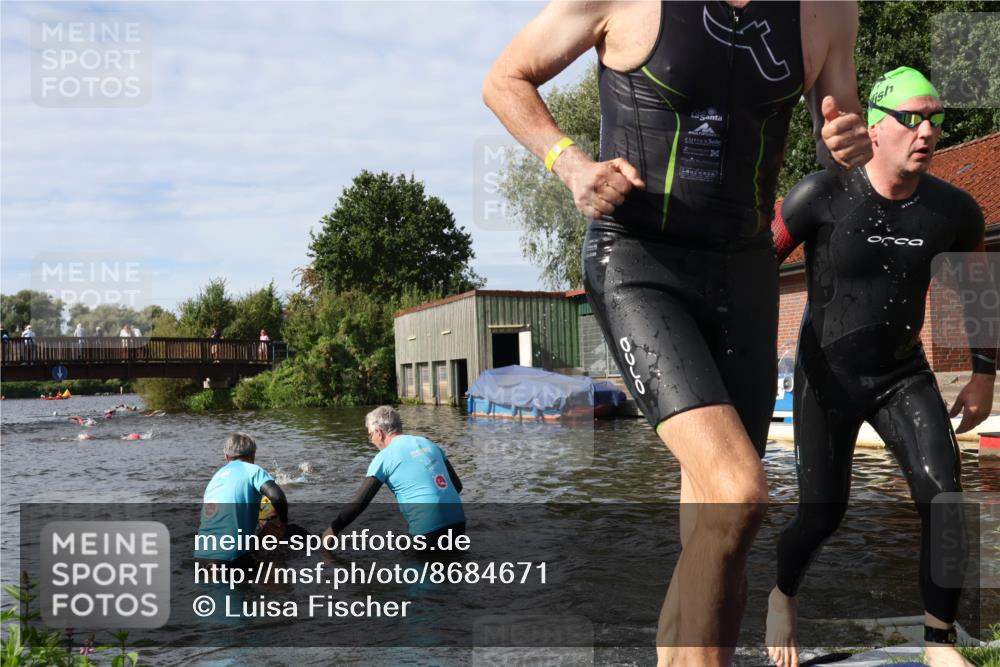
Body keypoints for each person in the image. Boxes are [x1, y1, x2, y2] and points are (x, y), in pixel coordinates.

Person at [483, 2, 871, 663]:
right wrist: (571, 164)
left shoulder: (828, 12)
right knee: (739, 490)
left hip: (746, 276)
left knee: (721, 532)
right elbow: (506, 78)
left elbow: (836, 137)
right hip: (640, 260)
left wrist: (846, 146)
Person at [766, 67, 993, 667]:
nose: (927, 131)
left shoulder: (955, 212)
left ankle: (938, 643)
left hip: (901, 373)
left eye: (936, 119)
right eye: (911, 118)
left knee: (945, 498)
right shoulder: (820, 196)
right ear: (874, 126)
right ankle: (782, 595)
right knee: (822, 514)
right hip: (826, 375)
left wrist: (983, 374)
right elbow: (754, 268)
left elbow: (980, 291)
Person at [322, 406, 464, 548]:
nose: (372, 441)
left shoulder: (385, 457)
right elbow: (457, 486)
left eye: (370, 435)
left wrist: (332, 529)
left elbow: (359, 504)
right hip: (458, 524)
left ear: (379, 432)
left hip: (427, 529)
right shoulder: (428, 443)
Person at [195, 433, 289, 570]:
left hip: (201, 557)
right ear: (253, 455)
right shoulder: (253, 470)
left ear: (226, 457)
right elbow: (277, 497)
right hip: (232, 558)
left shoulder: (215, 478)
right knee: (279, 565)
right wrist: (283, 523)